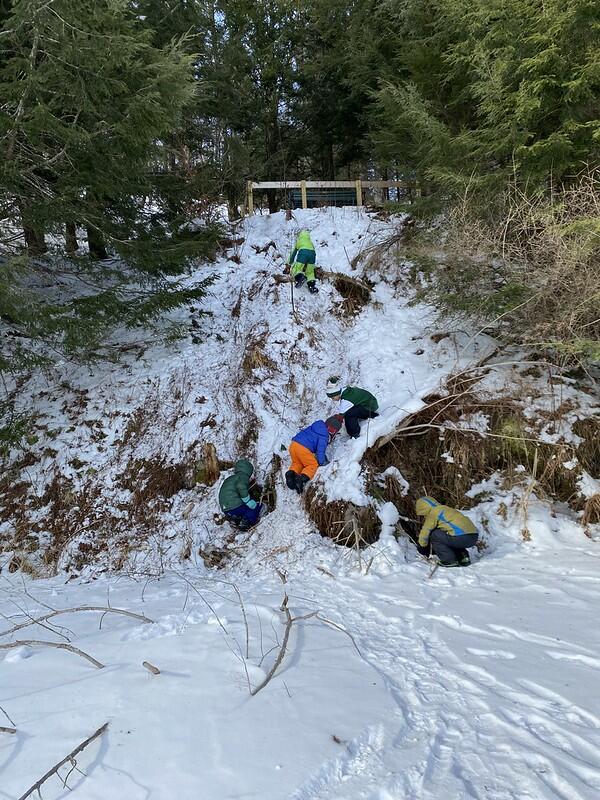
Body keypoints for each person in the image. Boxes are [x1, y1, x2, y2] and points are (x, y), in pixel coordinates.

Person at [285, 415, 343, 494]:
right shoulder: (324, 435)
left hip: (293, 445)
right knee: (312, 465)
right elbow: (320, 452)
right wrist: (322, 462)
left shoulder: (316, 427)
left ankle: (291, 475)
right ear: (332, 430)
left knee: (297, 463)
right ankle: (301, 480)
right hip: (303, 448)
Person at [415, 496, 478, 567]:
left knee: (435, 534)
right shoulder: (445, 509)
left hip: (461, 537)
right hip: (473, 536)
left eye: (423, 514)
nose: (424, 516)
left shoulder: (434, 512)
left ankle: (449, 560)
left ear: (424, 509)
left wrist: (422, 546)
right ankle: (463, 558)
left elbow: (425, 531)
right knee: (450, 535)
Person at [218, 459, 263, 530]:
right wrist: (248, 501)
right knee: (252, 509)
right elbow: (241, 487)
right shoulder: (242, 477)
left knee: (240, 511)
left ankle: (236, 519)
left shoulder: (231, 478)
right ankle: (246, 522)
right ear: (248, 470)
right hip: (234, 505)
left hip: (226, 509)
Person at [288, 229, 318, 294]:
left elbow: (293, 253)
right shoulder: (310, 242)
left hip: (303, 253)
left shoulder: (299, 241)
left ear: (300, 236)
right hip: (313, 254)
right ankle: (312, 286)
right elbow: (313, 251)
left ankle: (300, 277)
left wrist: (290, 262)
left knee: (297, 268)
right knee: (310, 271)